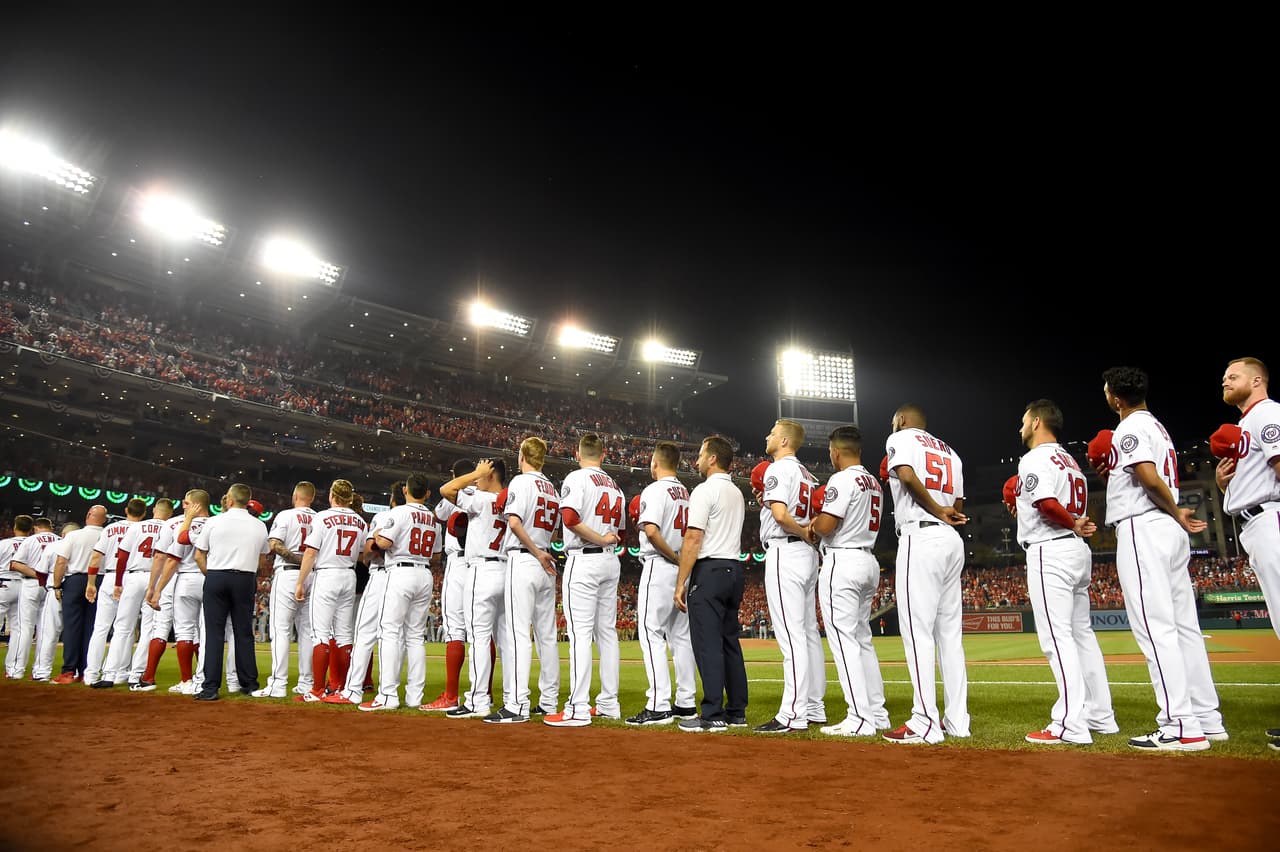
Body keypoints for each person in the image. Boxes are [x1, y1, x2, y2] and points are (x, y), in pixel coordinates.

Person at [1095, 366, 1224, 751]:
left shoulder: (1129, 427)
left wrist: (1176, 509)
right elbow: (1143, 478)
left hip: (1145, 528)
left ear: (1116, 398)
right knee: (1185, 628)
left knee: (1156, 629)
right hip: (1165, 530)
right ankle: (1206, 717)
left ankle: (1179, 724)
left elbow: (1149, 478)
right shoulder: (1158, 428)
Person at [1012, 400, 1118, 745]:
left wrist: (1070, 521)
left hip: (1051, 549)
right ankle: (1101, 715)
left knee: (1056, 639)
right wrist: (1074, 523)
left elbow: (1045, 502)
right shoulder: (1068, 459)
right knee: (1081, 635)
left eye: (1024, 421)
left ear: (1037, 421)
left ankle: (1070, 723)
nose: (1021, 428)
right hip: (1075, 550)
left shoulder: (1036, 458)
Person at [882, 404, 970, 744]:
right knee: (949, 636)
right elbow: (957, 504)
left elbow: (904, 474)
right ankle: (958, 721)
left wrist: (935, 511)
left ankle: (924, 722)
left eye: (894, 422)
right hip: (950, 541)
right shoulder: (950, 452)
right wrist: (945, 514)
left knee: (917, 633)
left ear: (902, 420)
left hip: (921, 536)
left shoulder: (902, 437)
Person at [1212, 356, 1279, 748]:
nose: (1225, 379)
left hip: (1271, 521)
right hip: (1257, 523)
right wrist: (1226, 488)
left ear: (1257, 380)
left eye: (1233, 375)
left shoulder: (1266, 414)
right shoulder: (1244, 424)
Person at [808, 426, 891, 737]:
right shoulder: (872, 481)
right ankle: (877, 713)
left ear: (836, 451)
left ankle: (859, 717)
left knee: (844, 643)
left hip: (842, 560)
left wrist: (813, 524)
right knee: (861, 639)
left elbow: (827, 525)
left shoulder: (842, 479)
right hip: (868, 560)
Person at [544, 433, 624, 727]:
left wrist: (599, 537)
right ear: (603, 455)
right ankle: (609, 703)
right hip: (609, 561)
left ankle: (577, 707)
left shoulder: (576, 478)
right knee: (607, 634)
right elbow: (622, 533)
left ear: (578, 455)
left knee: (580, 635)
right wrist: (605, 538)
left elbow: (569, 518)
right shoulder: (615, 486)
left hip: (585, 560)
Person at [754, 419, 824, 734]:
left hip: (787, 550)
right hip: (807, 557)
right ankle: (814, 707)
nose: (767, 435)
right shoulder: (807, 474)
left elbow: (781, 516)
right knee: (808, 634)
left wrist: (803, 532)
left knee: (791, 635)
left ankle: (792, 714)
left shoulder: (779, 468)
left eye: (772, 432)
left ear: (784, 440)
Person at [674, 435, 747, 733]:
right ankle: (736, 712)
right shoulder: (737, 492)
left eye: (702, 454)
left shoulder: (704, 491)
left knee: (707, 644)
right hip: (734, 568)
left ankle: (712, 713)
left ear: (713, 458)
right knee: (730, 642)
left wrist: (681, 582)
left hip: (710, 569)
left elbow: (693, 537)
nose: (698, 460)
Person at [488, 437, 561, 723]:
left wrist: (535, 551)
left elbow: (515, 522)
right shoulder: (552, 489)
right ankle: (549, 701)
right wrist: (543, 552)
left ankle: (516, 704)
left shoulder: (520, 483)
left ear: (522, 456)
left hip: (524, 558)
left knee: (517, 633)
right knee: (547, 636)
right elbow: (555, 533)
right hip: (545, 563)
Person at [626, 441, 698, 726]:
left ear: (655, 463)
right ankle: (686, 702)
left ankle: (657, 705)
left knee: (650, 632)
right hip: (683, 569)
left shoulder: (655, 489)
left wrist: (674, 558)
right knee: (680, 636)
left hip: (661, 565)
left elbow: (652, 531)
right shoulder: (685, 493)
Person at [360, 473, 441, 711]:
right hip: (424, 574)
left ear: (405, 491)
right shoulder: (434, 519)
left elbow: (383, 544)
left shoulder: (398, 513)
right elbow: (436, 557)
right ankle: (415, 696)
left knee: (390, 632)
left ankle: (388, 695)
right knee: (415, 637)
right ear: (427, 493)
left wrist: (376, 535)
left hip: (400, 572)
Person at [440, 458, 507, 719]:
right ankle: (512, 700)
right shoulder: (508, 499)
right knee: (506, 641)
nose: (477, 480)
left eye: (481, 476)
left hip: (481, 568)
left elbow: (447, 490)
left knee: (478, 638)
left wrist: (474, 474)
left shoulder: (482, 499)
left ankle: (478, 700)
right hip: (505, 568)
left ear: (491, 474)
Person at [193, 483, 271, 700]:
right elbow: (263, 559)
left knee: (214, 634)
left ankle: (210, 688)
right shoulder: (259, 525)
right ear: (248, 501)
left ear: (229, 500)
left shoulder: (214, 521)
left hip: (217, 576)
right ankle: (249, 684)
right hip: (245, 577)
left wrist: (211, 575)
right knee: (244, 633)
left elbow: (199, 555)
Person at [295, 479, 367, 702]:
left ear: (331, 496)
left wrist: (300, 582)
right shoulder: (360, 521)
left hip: (327, 574)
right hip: (349, 575)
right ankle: (340, 688)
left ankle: (316, 690)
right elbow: (364, 554)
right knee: (344, 635)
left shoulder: (323, 517)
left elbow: (310, 552)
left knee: (320, 635)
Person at [332, 481, 403, 705]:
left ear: (393, 499)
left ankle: (352, 690)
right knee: (399, 637)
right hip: (406, 578)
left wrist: (372, 550)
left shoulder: (385, 518)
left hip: (381, 575)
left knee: (364, 634)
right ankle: (401, 693)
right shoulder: (424, 518)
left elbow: (368, 553)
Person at [97, 501, 172, 688]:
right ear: (170, 513)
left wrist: (118, 582)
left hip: (133, 576)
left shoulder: (137, 526)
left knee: (122, 626)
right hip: (157, 578)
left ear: (154, 510)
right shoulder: (171, 527)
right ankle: (136, 675)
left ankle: (110, 674)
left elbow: (122, 556)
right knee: (149, 628)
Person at [254, 482, 317, 699]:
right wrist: (307, 562)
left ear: (295, 495)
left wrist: (298, 560)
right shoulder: (319, 518)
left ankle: (278, 684)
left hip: (289, 573)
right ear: (312, 497)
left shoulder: (286, 515)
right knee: (307, 631)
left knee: (280, 630)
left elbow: (275, 544)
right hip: (313, 575)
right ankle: (306, 683)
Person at [424, 459, 475, 711]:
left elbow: (438, 513)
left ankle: (451, 695)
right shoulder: (490, 494)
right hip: (484, 566)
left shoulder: (456, 492)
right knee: (482, 632)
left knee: (455, 630)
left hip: (459, 564)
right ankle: (481, 696)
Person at [82, 501, 142, 687]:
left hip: (109, 577)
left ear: (126, 511)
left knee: (100, 628)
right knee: (125, 629)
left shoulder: (110, 528)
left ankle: (91, 674)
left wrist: (91, 583)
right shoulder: (143, 528)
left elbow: (95, 557)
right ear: (144, 513)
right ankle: (119, 673)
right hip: (131, 577)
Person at [51, 505, 108, 683]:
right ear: (104, 520)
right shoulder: (108, 534)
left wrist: (56, 585)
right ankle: (86, 671)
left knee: (72, 626)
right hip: (100, 581)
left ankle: (68, 671)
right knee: (93, 628)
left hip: (75, 580)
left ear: (88, 515)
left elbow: (61, 562)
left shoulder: (74, 535)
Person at [5, 517, 59, 680]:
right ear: (51, 528)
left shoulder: (31, 540)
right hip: (52, 587)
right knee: (46, 629)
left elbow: (15, 564)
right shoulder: (61, 540)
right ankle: (41, 672)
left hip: (31, 585)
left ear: (36, 528)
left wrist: (39, 574)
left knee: (24, 627)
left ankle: (16, 670)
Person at [0, 516, 34, 674]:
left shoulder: (4, 544)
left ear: (15, 527)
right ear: (31, 529)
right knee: (18, 629)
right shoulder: (33, 544)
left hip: (3, 585)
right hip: (24, 586)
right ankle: (12, 669)